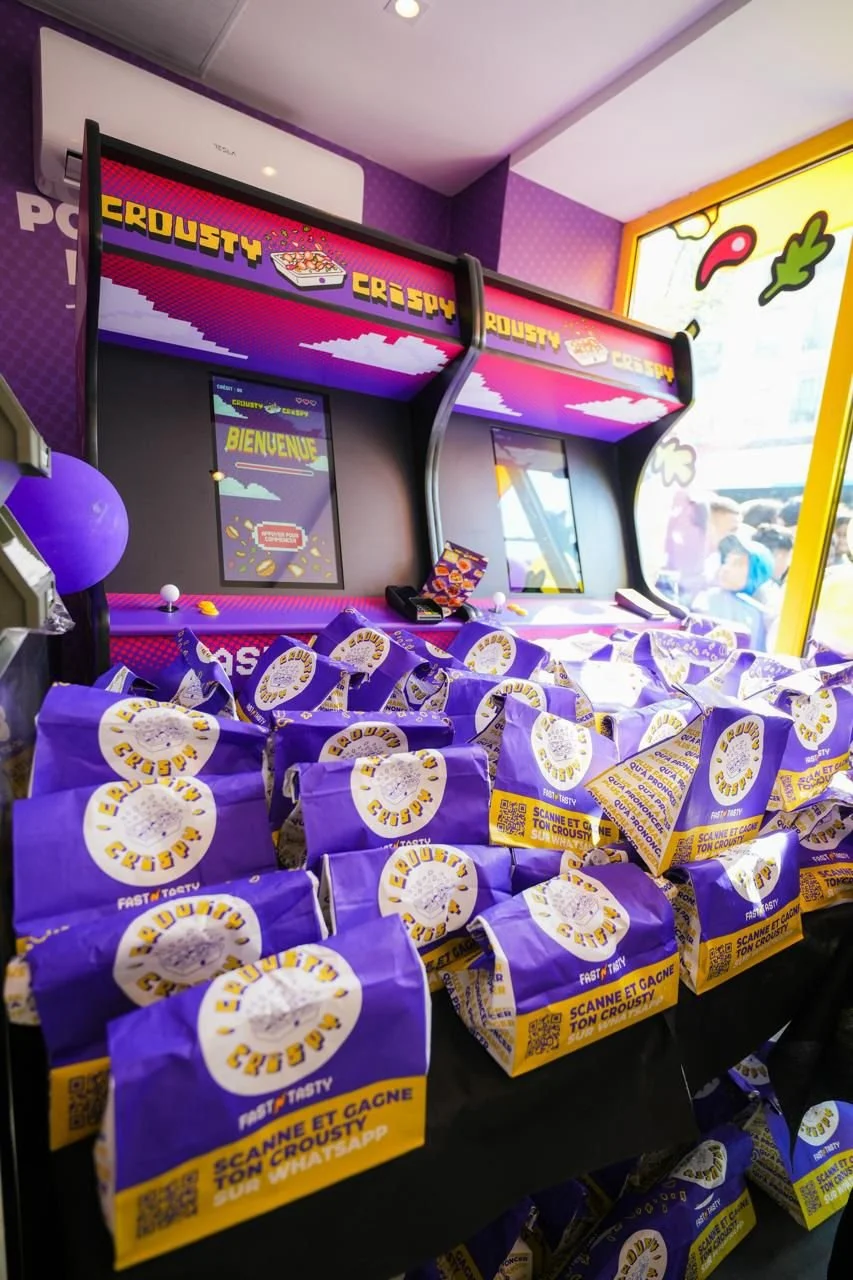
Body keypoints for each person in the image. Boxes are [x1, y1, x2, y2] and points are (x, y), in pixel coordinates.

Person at [692, 533, 774, 649]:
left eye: (737, 563)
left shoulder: (768, 615)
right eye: (726, 561)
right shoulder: (708, 599)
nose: (726, 568)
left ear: (757, 571)